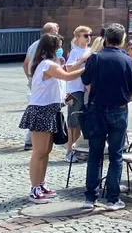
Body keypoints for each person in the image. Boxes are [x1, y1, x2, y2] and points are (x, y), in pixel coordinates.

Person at [20, 33, 85, 203]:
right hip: (41, 110)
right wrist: (87, 67)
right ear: (52, 48)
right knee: (39, 152)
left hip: (52, 109)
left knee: (46, 151)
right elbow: (68, 76)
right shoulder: (47, 65)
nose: (60, 51)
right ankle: (34, 188)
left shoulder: (51, 65)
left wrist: (65, 98)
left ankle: (41, 183)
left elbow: (59, 85)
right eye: (58, 47)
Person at [80, 24, 132, 209]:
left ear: (105, 38)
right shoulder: (127, 60)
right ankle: (113, 199)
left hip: (98, 109)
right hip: (119, 110)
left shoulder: (95, 58)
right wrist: (124, 101)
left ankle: (90, 197)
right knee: (116, 155)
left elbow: (85, 81)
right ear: (122, 40)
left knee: (95, 155)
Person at [22, 22, 59, 150]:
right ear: (50, 32)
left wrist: (31, 78)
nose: (57, 33)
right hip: (45, 82)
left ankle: (31, 141)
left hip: (35, 80)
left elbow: (25, 64)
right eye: (56, 31)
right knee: (39, 110)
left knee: (35, 106)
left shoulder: (33, 45)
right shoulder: (47, 49)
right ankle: (32, 141)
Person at [65, 26, 94, 161]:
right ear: (77, 37)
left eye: (90, 35)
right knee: (73, 122)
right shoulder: (75, 52)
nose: (89, 38)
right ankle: (70, 151)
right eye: (85, 35)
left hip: (87, 88)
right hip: (74, 89)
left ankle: (80, 148)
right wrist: (82, 60)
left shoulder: (91, 50)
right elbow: (69, 69)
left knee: (84, 121)